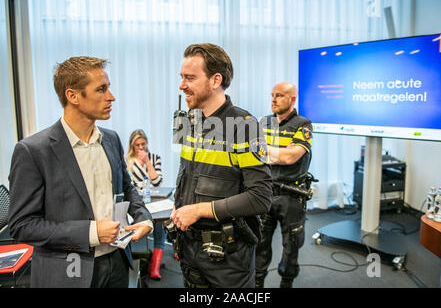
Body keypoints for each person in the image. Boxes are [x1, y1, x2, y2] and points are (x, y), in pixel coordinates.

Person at [8, 56, 153, 288]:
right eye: (101, 89)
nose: (111, 97)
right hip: (67, 272)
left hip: (117, 262)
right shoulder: (33, 151)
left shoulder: (112, 139)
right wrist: (91, 232)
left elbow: (127, 188)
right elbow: (22, 225)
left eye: (109, 88)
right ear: (73, 96)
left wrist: (144, 218)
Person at [170, 43, 273, 288]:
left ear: (215, 80)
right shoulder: (188, 120)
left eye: (190, 78)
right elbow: (187, 179)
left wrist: (198, 210)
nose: (182, 85)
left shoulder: (245, 126)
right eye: (182, 77)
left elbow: (261, 198)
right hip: (189, 248)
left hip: (227, 257)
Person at [255, 81, 313, 288]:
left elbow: (291, 157)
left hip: (291, 196)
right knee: (259, 243)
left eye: (279, 95)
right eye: (272, 94)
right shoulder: (263, 122)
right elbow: (252, 153)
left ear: (292, 99)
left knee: (291, 246)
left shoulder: (303, 124)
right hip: (264, 192)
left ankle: (286, 283)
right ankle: (257, 284)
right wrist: (280, 152)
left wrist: (267, 151)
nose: (273, 99)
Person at [126, 129, 166, 280]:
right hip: (136, 201)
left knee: (159, 224)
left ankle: (155, 265)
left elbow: (157, 182)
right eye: (137, 145)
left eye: (143, 144)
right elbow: (128, 186)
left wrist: (148, 162)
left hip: (153, 199)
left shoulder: (155, 158)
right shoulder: (127, 161)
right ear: (132, 146)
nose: (141, 148)